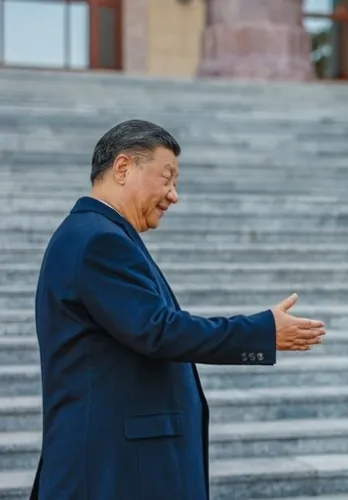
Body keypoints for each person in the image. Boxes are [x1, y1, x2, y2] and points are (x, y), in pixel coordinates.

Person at [30, 119, 327, 500]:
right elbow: (158, 330)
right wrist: (261, 331)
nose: (174, 195)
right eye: (167, 178)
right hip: (111, 469)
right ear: (123, 168)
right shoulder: (98, 240)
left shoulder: (98, 234)